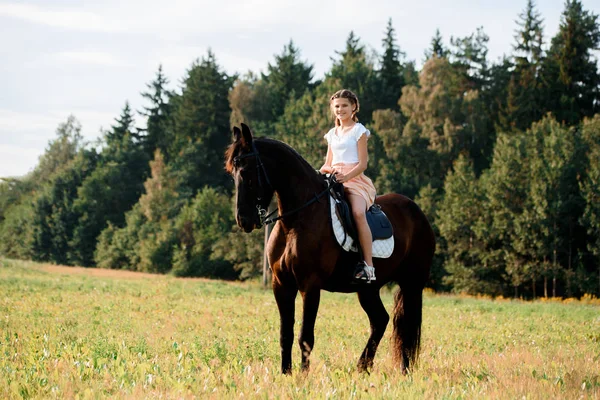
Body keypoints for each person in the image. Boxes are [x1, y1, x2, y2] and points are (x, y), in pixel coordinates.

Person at [319, 89, 377, 283]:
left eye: (344, 105)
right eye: (337, 106)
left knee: (358, 213)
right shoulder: (331, 134)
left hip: (355, 179)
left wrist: (346, 177)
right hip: (334, 178)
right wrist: (319, 174)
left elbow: (363, 164)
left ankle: (368, 267)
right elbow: (328, 163)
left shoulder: (359, 131)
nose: (340, 109)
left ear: (353, 107)